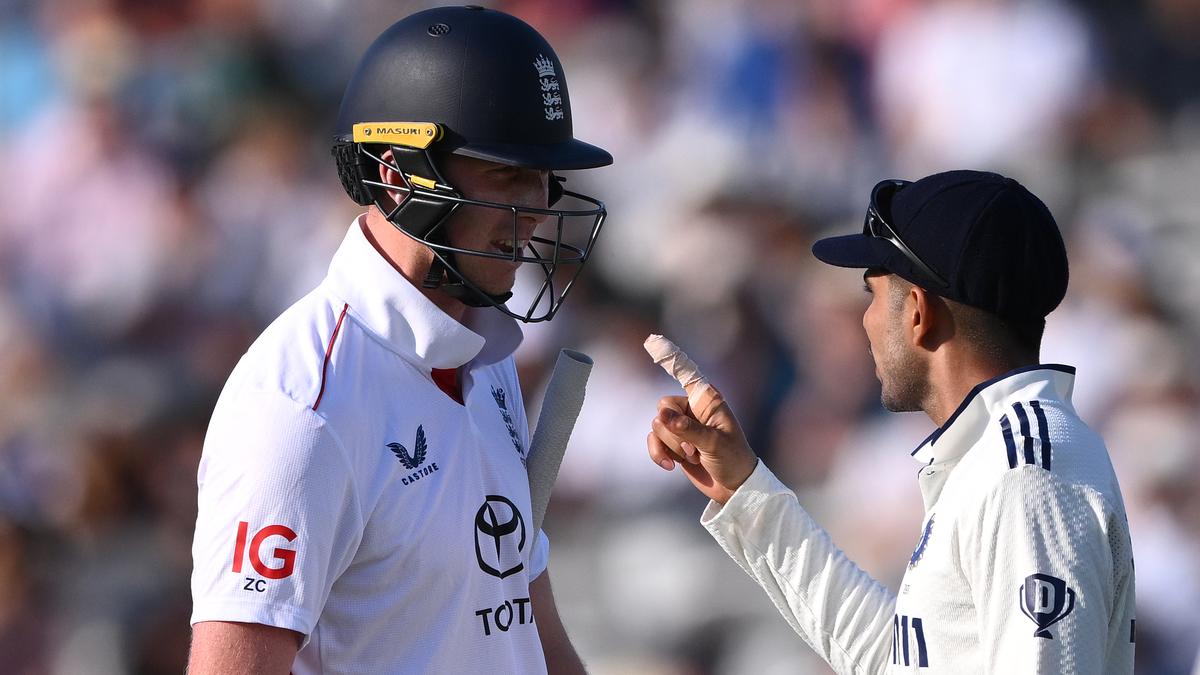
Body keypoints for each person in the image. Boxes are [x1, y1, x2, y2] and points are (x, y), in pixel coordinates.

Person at [188, 6, 611, 673]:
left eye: (543, 180)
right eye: (507, 176)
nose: (535, 210)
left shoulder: (482, 354)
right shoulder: (303, 405)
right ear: (398, 174)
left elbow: (525, 628)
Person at [647, 170, 1136, 673]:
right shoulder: (998, 455)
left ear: (918, 312)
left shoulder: (1023, 473)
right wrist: (743, 487)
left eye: (871, 295)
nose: (866, 321)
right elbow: (898, 662)